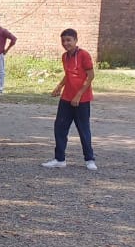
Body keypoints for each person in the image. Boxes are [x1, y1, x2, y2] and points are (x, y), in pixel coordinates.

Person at [41, 29, 97, 171]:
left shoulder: (84, 55)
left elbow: (90, 76)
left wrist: (79, 95)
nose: (66, 43)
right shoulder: (65, 57)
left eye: (68, 40)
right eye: (63, 41)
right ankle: (60, 159)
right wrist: (59, 86)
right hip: (66, 98)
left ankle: (89, 159)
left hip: (82, 99)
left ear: (75, 40)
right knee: (60, 127)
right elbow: (68, 75)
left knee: (83, 129)